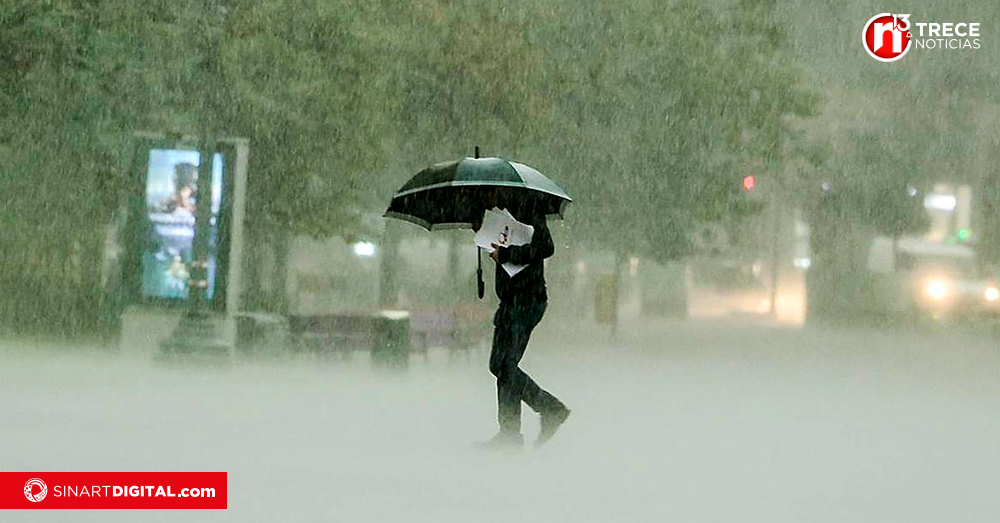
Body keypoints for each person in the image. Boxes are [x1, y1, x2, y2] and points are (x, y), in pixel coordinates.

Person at [476, 193, 571, 449]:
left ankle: (547, 410)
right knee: (500, 365)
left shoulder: (528, 207)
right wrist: (483, 234)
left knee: (505, 366)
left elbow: (545, 247)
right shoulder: (496, 216)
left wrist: (508, 255)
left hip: (527, 301)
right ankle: (511, 433)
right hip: (509, 303)